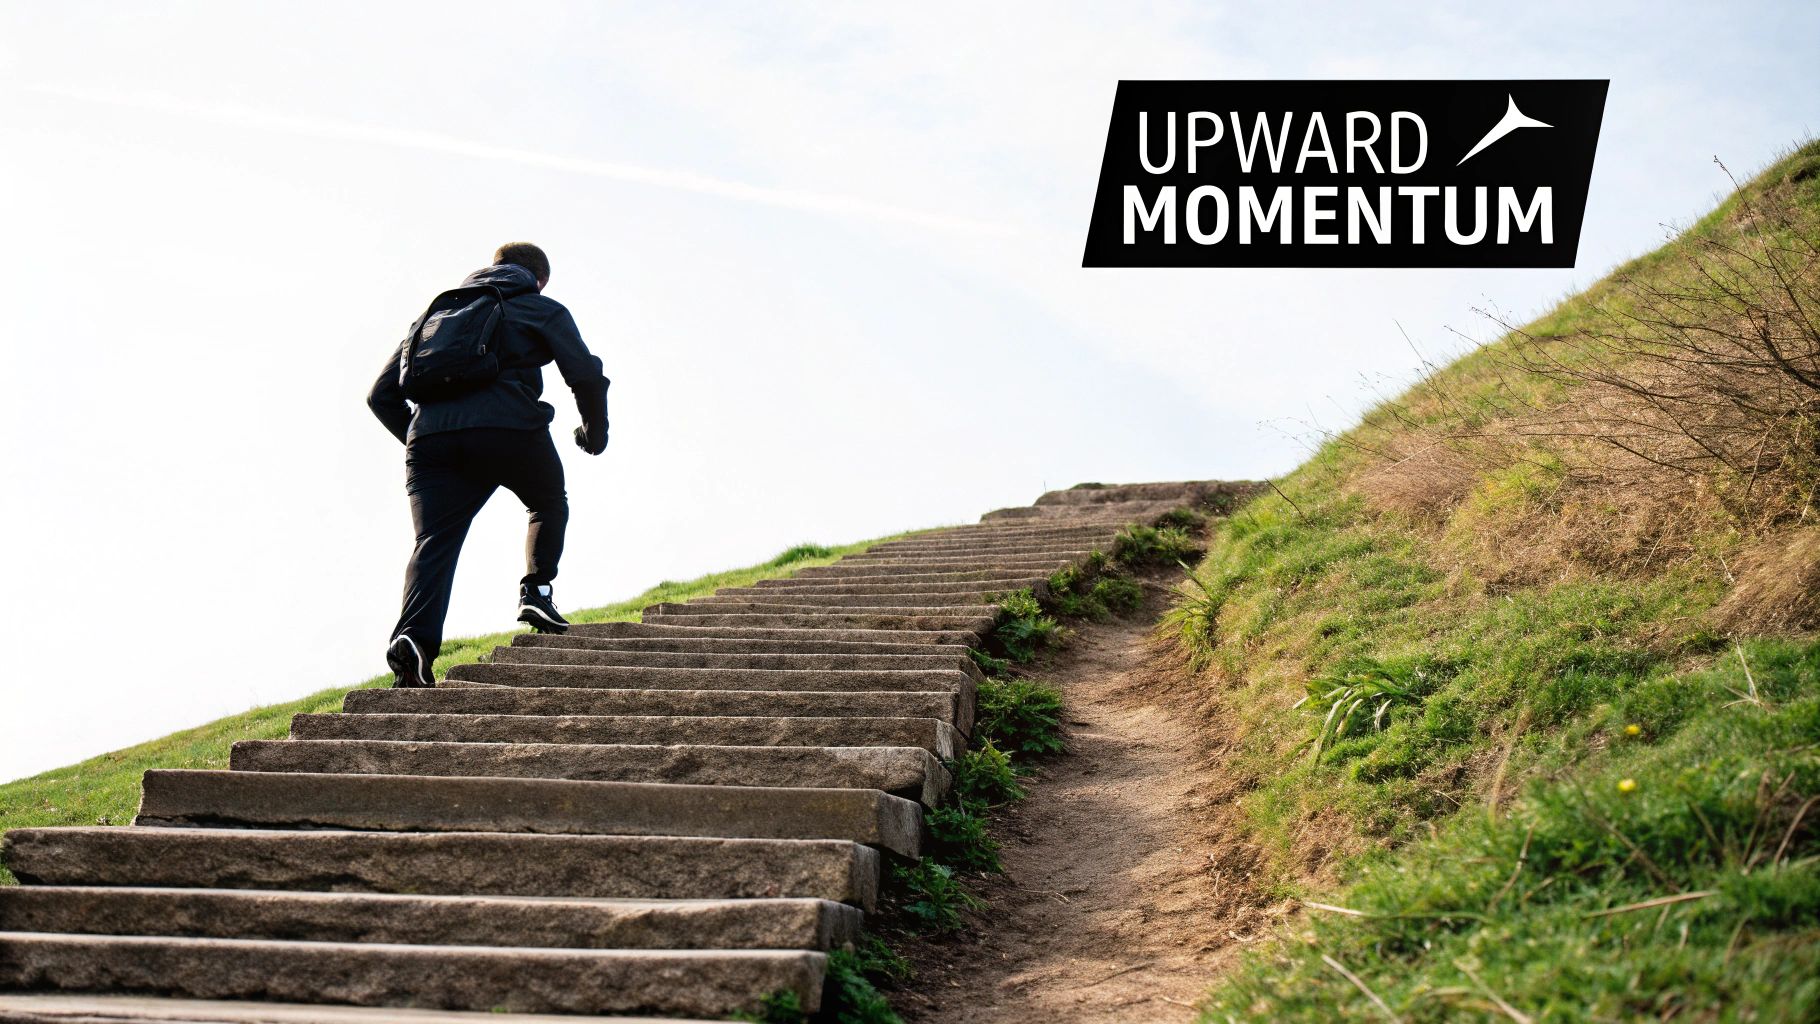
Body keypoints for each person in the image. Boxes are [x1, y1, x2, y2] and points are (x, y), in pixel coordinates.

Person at [367, 242, 609, 688]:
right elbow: (585, 375)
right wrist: (594, 435)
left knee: (434, 541)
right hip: (510, 428)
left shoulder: (436, 317)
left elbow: (380, 395)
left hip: (431, 440)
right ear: (539, 280)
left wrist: (429, 442)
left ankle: (414, 641)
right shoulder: (540, 307)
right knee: (547, 502)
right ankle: (536, 591)